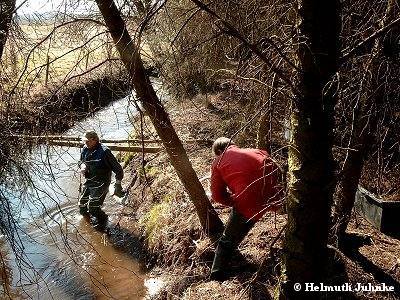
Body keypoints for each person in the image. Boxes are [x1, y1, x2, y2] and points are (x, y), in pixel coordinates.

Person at [209, 137, 283, 281]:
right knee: (243, 222)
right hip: (275, 197)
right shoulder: (258, 151)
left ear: (218, 151)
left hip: (248, 200)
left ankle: (216, 277)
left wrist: (234, 201)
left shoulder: (219, 161)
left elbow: (217, 196)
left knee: (226, 240)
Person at [78, 130, 124, 228]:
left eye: (88, 141)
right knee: (81, 205)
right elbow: (81, 161)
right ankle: (88, 224)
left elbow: (118, 169)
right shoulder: (85, 148)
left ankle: (104, 221)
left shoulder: (104, 151)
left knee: (93, 208)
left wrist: (118, 184)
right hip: (89, 181)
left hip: (101, 183)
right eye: (84, 141)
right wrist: (83, 166)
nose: (85, 143)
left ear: (95, 140)